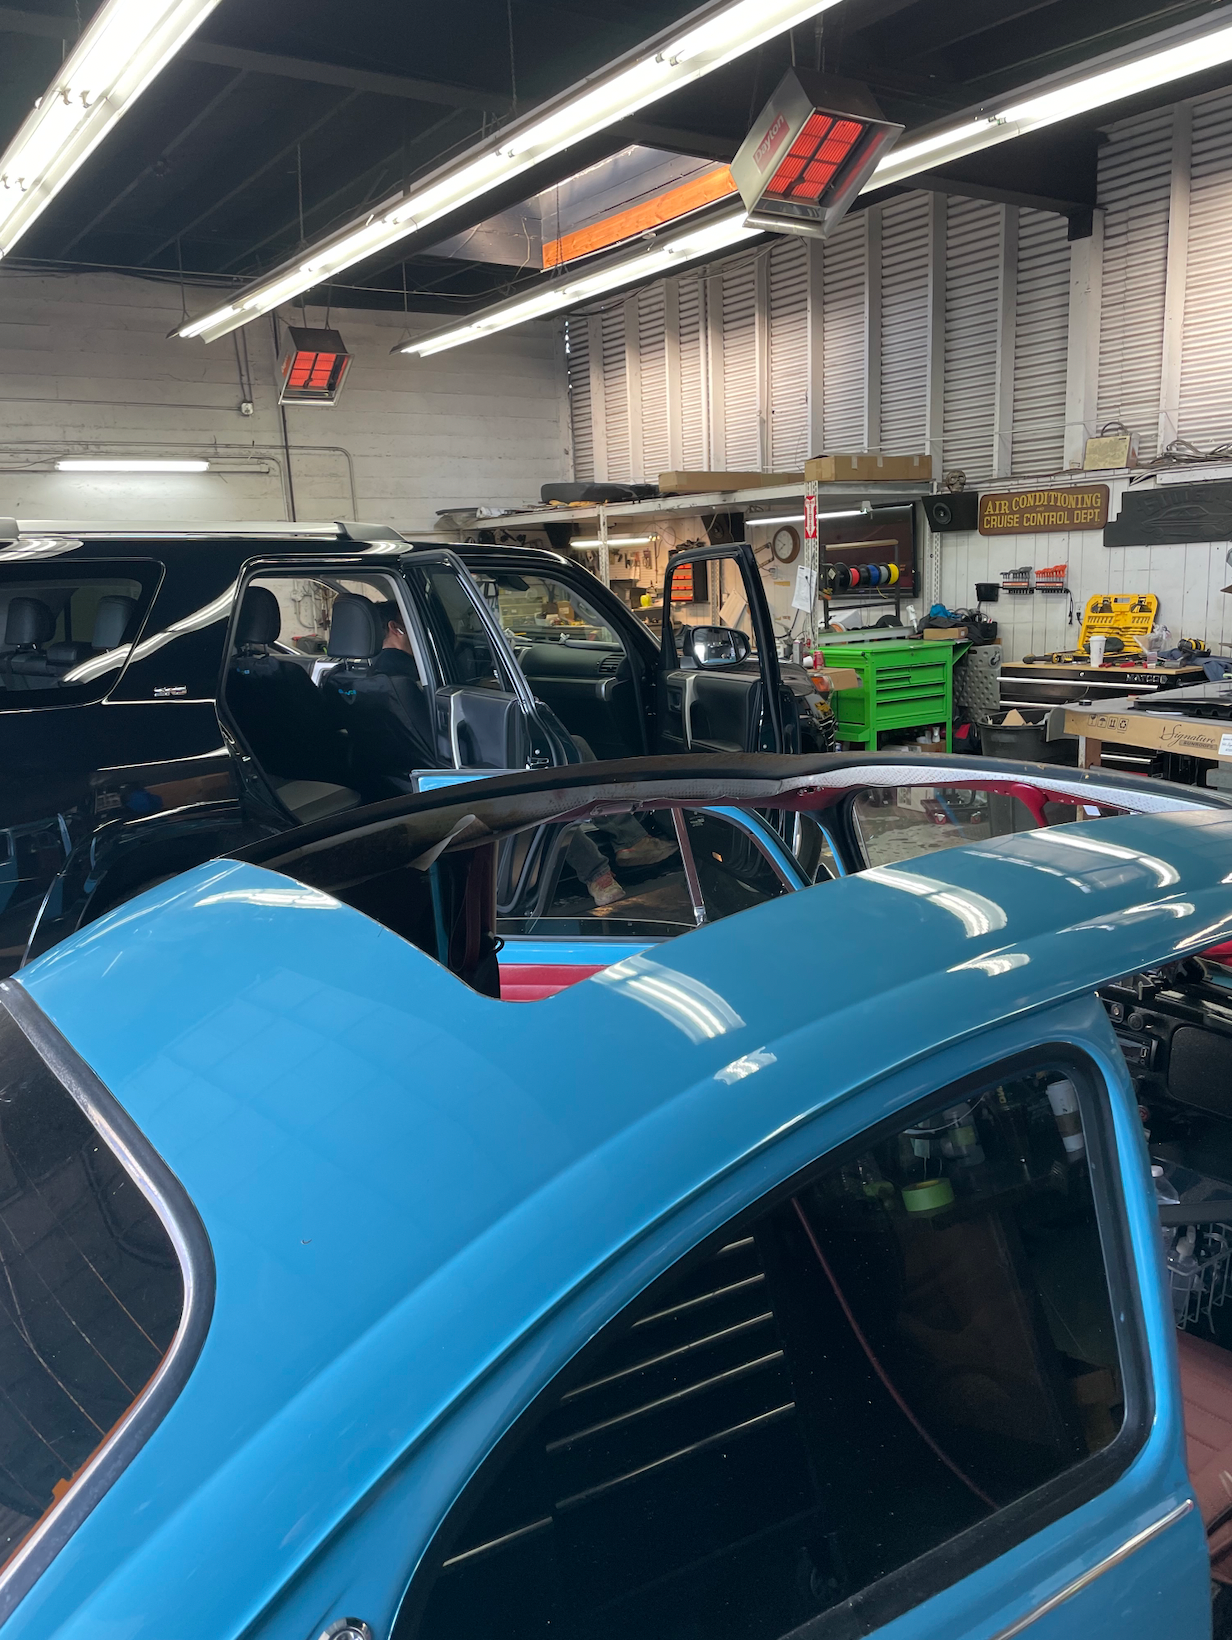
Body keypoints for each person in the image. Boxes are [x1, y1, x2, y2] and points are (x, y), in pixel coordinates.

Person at [372, 601, 421, 678]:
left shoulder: (375, 671)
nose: (418, 630)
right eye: (410, 623)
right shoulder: (409, 671)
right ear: (395, 627)